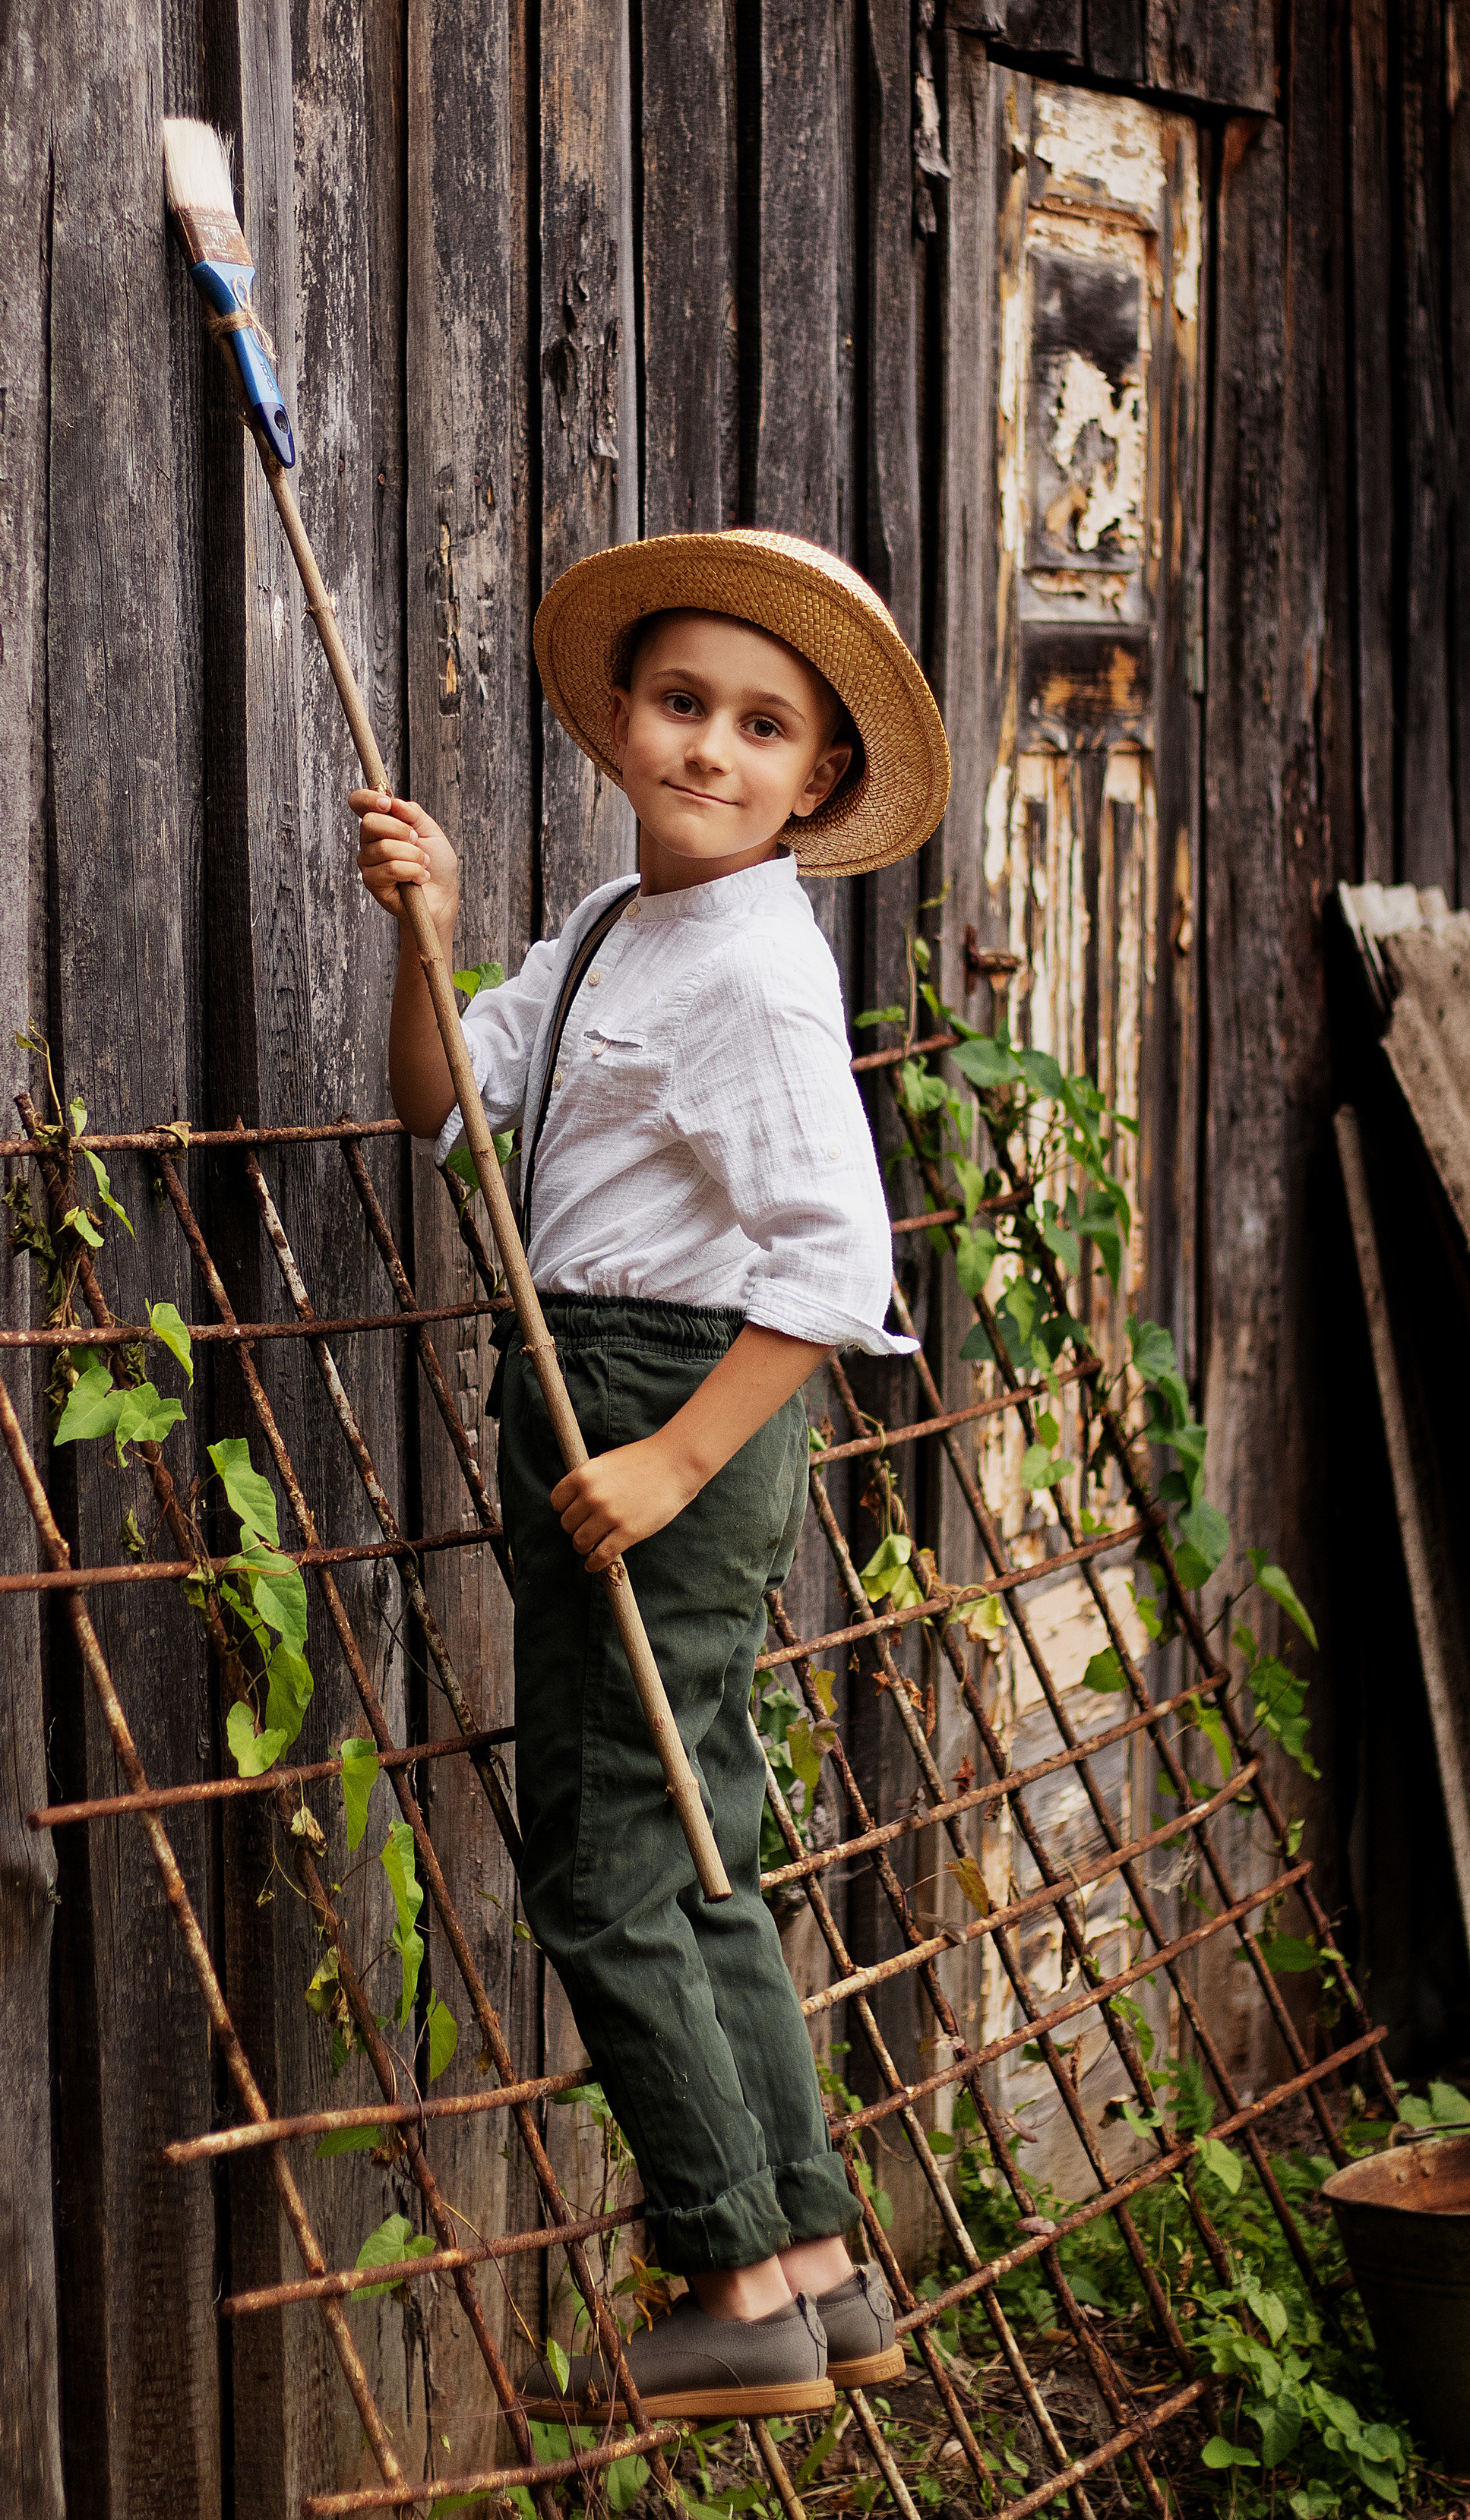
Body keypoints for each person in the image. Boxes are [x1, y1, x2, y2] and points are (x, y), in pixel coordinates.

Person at [350, 529, 950, 2421]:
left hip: (669, 1404)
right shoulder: (622, 926)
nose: (709, 747)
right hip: (621, 1386)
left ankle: (724, 2283)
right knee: (702, 1854)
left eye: (760, 726)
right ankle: (817, 2263)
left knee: (604, 1871)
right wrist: (426, 935)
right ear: (619, 720)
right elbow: (446, 1102)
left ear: (817, 783)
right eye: (682, 703)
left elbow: (832, 1269)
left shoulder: (760, 979)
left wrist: (670, 1462)